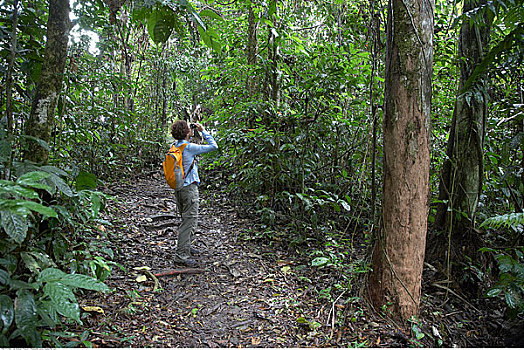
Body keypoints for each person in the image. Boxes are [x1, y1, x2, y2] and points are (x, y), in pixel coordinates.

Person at [169, 120, 218, 267]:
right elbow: (214, 146)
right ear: (187, 132)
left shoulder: (174, 146)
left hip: (178, 188)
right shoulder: (189, 147)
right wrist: (203, 131)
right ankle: (181, 256)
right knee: (189, 221)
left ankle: (186, 246)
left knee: (188, 219)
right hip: (189, 188)